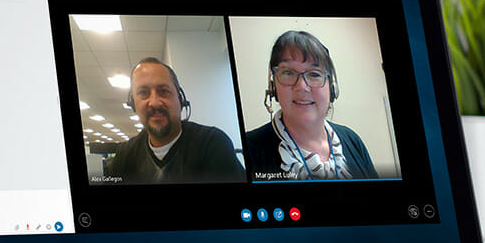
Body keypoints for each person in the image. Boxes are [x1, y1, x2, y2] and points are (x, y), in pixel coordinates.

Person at [245, 31, 377, 180]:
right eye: (288, 72)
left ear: (331, 89)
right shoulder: (249, 148)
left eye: (314, 74)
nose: (301, 86)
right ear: (273, 87)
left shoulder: (353, 141)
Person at [106, 58, 245, 184]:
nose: (155, 103)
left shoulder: (212, 144)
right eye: (143, 93)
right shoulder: (125, 154)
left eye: (164, 91)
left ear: (180, 100)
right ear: (133, 104)